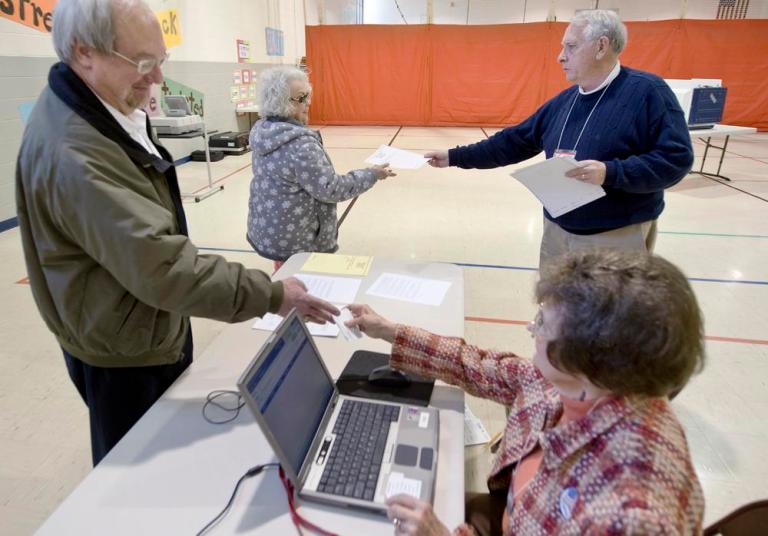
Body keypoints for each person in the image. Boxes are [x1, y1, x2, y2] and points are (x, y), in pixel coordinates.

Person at [15, 0, 338, 466]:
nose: (157, 78)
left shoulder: (101, 105)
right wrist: (271, 294)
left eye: (160, 60)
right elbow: (162, 267)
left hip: (139, 318)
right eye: (142, 62)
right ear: (85, 53)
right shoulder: (76, 154)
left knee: (159, 447)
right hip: (123, 351)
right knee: (136, 465)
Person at [346, 249, 705, 535]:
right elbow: (478, 365)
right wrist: (389, 331)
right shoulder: (582, 385)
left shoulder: (630, 514)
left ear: (588, 356)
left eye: (543, 323)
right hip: (511, 513)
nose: (530, 328)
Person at [425, 10, 694, 270]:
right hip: (557, 231)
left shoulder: (647, 92)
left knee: (609, 303)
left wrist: (611, 172)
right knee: (555, 300)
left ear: (601, 46)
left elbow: (676, 160)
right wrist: (454, 156)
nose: (560, 57)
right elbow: (513, 141)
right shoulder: (565, 101)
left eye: (571, 47)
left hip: (615, 237)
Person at [246, 66, 395, 271]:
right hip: (298, 239)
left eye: (308, 96)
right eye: (301, 98)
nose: (308, 102)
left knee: (283, 273)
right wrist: (372, 174)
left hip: (273, 229)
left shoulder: (263, 132)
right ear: (281, 102)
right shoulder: (301, 145)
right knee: (298, 282)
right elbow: (331, 189)